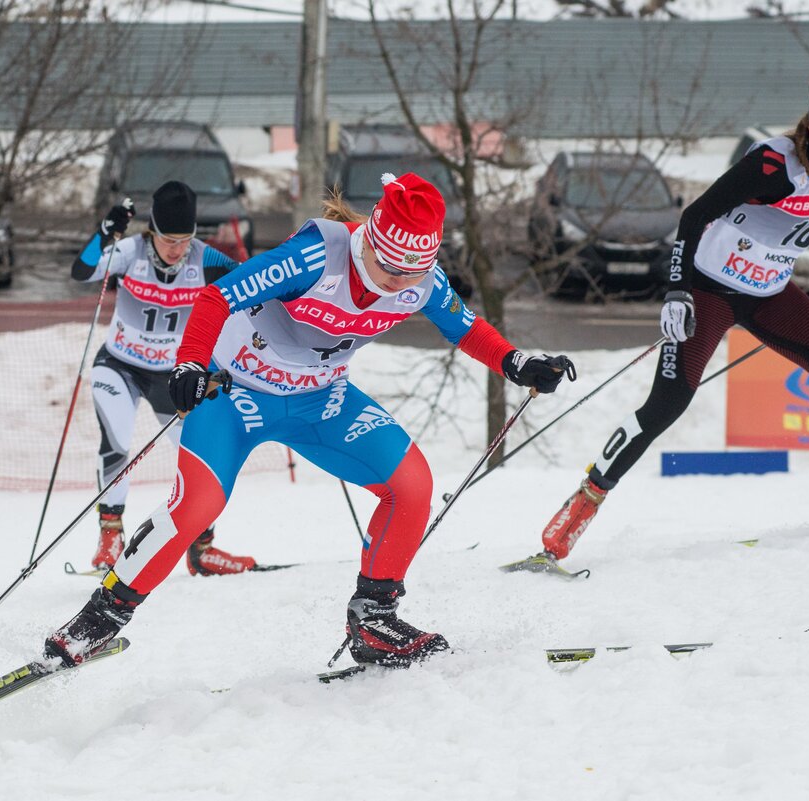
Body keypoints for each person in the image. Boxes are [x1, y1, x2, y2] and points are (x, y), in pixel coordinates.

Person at [44, 172, 577, 668]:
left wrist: (517, 362)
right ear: (368, 240)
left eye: (411, 272)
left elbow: (464, 326)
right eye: (389, 268)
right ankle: (99, 618)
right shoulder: (315, 256)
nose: (397, 285)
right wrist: (189, 361)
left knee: (412, 484)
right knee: (199, 505)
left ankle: (374, 620)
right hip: (238, 396)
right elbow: (215, 297)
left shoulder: (419, 277)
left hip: (320, 401)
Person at [535, 70, 809, 565]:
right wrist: (676, 292)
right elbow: (693, 216)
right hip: (708, 291)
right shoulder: (773, 165)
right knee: (666, 405)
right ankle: (578, 510)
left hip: (767, 294)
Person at [73, 180, 256, 576]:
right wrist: (104, 233)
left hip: (176, 376)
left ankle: (202, 549)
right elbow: (82, 271)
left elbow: (255, 287)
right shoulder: (129, 252)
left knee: (203, 457)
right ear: (151, 231)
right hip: (120, 366)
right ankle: (110, 538)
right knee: (117, 442)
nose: (177, 250)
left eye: (185, 240)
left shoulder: (205, 259)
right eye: (168, 240)